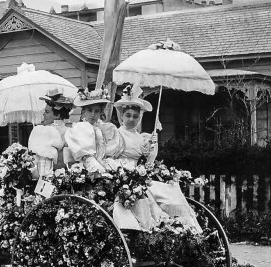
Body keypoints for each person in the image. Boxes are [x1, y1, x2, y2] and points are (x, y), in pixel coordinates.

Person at [114, 85, 201, 232]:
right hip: (121, 175)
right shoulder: (116, 135)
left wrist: (152, 150)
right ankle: (150, 228)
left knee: (170, 190)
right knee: (143, 196)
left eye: (135, 116)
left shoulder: (143, 138)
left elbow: (148, 164)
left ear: (140, 118)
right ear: (121, 116)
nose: (131, 119)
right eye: (128, 115)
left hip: (140, 175)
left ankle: (182, 227)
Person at [64, 87, 124, 173]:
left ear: (100, 113)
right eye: (90, 110)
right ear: (84, 111)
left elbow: (109, 154)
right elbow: (85, 157)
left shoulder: (106, 128)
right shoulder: (79, 128)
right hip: (85, 167)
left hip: (103, 164)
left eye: (96, 111)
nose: (93, 114)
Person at [27, 88, 73, 178]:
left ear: (58, 115)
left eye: (47, 112)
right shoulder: (69, 131)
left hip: (53, 175)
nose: (44, 114)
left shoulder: (44, 131)